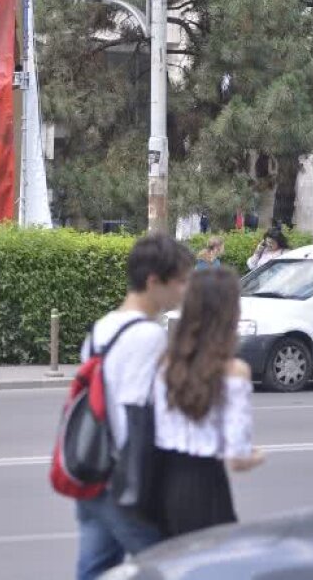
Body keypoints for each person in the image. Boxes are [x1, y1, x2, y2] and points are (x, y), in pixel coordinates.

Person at [75, 233, 195, 580]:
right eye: (181, 281)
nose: (184, 290)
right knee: (168, 564)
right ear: (154, 281)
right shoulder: (147, 336)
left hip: (91, 470)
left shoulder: (102, 329)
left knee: (95, 569)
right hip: (123, 482)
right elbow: (137, 417)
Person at [154, 268, 265, 537]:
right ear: (230, 314)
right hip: (206, 488)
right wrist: (257, 455)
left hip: (161, 488)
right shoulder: (233, 371)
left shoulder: (165, 364)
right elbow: (238, 459)